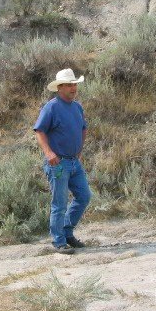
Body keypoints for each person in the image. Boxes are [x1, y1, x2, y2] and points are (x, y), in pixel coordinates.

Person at [33, 69, 91, 255]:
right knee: (59, 203)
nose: (74, 88)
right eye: (69, 85)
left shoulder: (77, 107)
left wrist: (79, 151)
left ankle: (67, 231)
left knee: (84, 196)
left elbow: (83, 128)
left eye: (74, 84)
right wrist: (49, 152)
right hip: (58, 164)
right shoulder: (51, 107)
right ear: (60, 88)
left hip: (74, 162)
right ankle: (59, 241)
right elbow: (40, 131)